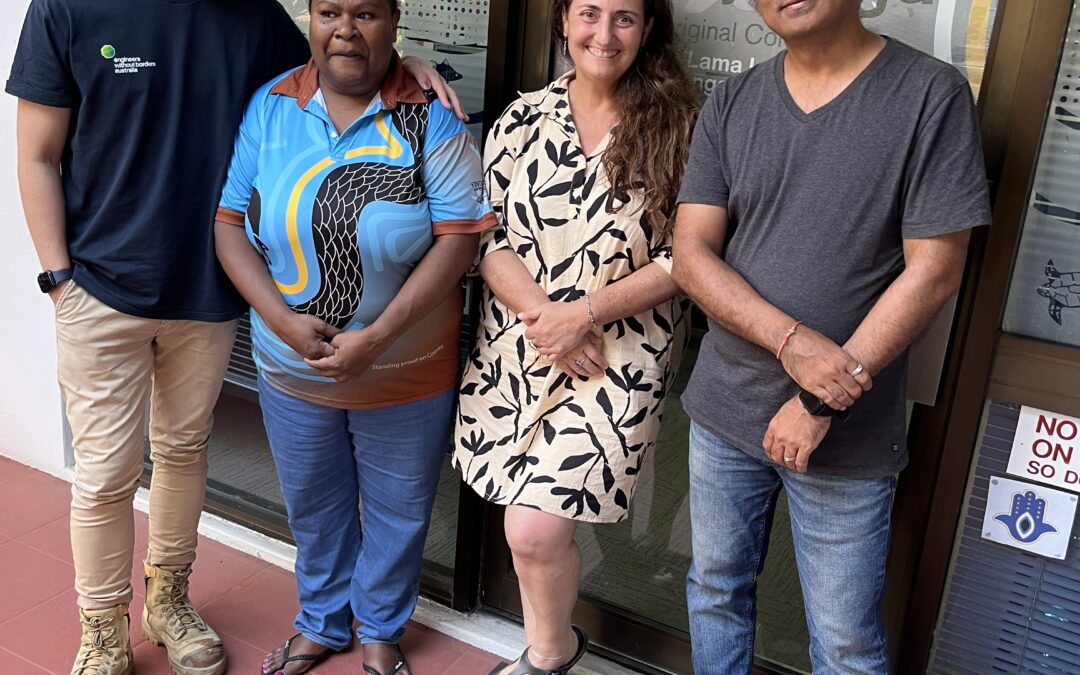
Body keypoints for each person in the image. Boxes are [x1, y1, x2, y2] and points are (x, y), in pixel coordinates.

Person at [7, 0, 461, 673]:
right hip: (99, 288)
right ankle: (102, 628)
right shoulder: (67, 7)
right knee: (105, 474)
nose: (342, 19)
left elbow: (340, 58)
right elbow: (36, 154)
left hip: (206, 296)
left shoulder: (247, 14)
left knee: (185, 451)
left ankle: (170, 600)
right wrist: (58, 276)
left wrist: (407, 65)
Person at [671, 0, 992, 672]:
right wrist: (791, 341)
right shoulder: (733, 102)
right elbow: (693, 255)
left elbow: (936, 271)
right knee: (713, 590)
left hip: (848, 432)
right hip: (724, 407)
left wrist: (820, 399)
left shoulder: (930, 95)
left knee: (844, 640)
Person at [213, 1, 493, 673]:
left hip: (406, 366)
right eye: (329, 10)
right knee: (314, 505)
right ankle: (322, 620)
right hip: (291, 366)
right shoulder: (272, 106)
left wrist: (379, 336)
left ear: (395, 22)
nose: (345, 28)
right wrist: (280, 322)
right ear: (309, 19)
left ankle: (380, 629)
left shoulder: (432, 117)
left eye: (365, 12)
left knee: (398, 511)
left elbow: (458, 242)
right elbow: (228, 224)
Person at [452, 1, 698, 672]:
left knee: (532, 526)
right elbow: (487, 234)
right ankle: (553, 649)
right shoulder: (521, 118)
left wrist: (583, 316)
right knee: (527, 526)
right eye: (589, 12)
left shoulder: (683, 124)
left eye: (625, 17)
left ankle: (545, 656)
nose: (605, 33)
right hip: (521, 345)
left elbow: (690, 257)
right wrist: (547, 318)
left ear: (648, 29)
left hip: (617, 355)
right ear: (562, 21)